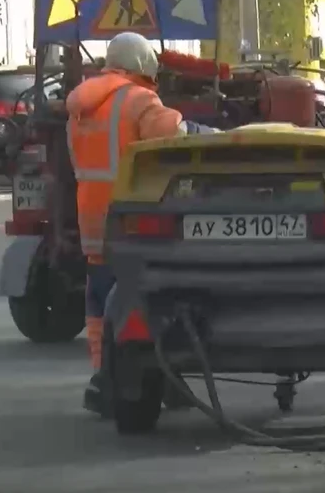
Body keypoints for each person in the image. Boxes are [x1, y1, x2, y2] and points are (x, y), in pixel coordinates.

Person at [68, 32, 216, 415]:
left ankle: (103, 376)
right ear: (142, 64)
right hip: (130, 218)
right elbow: (175, 134)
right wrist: (212, 136)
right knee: (148, 300)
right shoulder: (137, 100)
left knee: (100, 301)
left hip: (92, 216)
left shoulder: (83, 103)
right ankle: (159, 379)